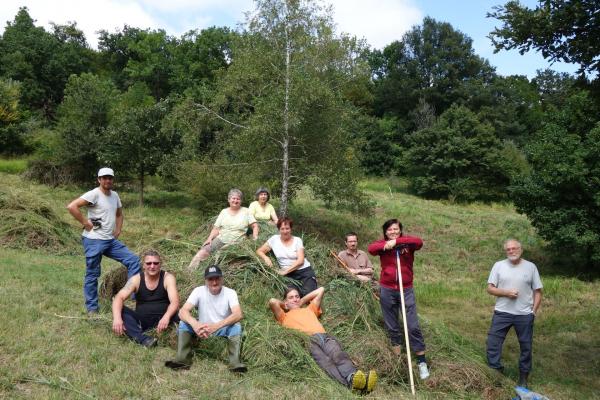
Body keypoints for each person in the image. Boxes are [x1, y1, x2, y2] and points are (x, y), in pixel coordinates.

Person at [268, 287, 377, 393]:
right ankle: (352, 386)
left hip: (324, 337)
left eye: (297, 296)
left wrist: (301, 301)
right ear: (285, 301)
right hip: (307, 340)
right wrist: (285, 305)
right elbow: (272, 301)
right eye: (291, 297)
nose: (295, 299)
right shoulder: (284, 316)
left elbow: (321, 290)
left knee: (339, 355)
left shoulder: (309, 309)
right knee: (326, 363)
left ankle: (353, 378)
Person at [67, 167, 140, 315]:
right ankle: (92, 308)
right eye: (104, 178)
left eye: (110, 178)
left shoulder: (114, 195)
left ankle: (132, 297)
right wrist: (85, 222)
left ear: (112, 180)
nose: (107, 180)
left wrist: (118, 229)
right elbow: (72, 206)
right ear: (99, 179)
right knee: (93, 274)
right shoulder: (94, 194)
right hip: (93, 240)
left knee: (133, 260)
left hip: (109, 240)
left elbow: (119, 214)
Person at [367, 218, 430, 380]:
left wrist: (397, 242)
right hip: (387, 289)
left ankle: (422, 362)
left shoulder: (408, 244)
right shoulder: (383, 245)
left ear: (400, 230)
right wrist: (386, 245)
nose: (393, 231)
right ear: (385, 232)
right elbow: (371, 249)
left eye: (396, 229)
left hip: (406, 289)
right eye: (390, 230)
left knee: (413, 325)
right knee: (392, 325)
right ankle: (397, 360)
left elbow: (419, 242)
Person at [165, 265, 247, 372]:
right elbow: (182, 312)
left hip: (221, 328)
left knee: (236, 326)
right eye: (210, 279)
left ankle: (234, 363)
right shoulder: (198, 291)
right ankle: (182, 360)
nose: (214, 282)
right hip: (202, 328)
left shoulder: (230, 293)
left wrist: (216, 326)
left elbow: (238, 314)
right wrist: (196, 325)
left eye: (217, 278)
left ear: (222, 279)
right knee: (183, 323)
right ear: (205, 280)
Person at [486, 239, 543, 388]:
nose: (511, 251)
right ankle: (495, 372)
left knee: (526, 346)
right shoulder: (498, 266)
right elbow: (490, 288)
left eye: (514, 248)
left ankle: (523, 377)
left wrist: (533, 312)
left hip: (524, 315)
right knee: (493, 343)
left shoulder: (531, 267)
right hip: (502, 313)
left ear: (521, 249)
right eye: (508, 249)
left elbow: (538, 292)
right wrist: (506, 293)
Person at [112, 250, 180, 347]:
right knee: (119, 310)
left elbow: (175, 302)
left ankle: (179, 335)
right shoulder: (136, 279)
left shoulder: (168, 278)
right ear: (143, 265)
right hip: (142, 321)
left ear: (160, 264)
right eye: (149, 263)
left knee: (183, 314)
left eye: (156, 263)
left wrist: (166, 317)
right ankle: (144, 340)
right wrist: (117, 319)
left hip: (166, 320)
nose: (152, 266)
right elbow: (119, 297)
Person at [188, 189, 259, 270]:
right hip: (220, 239)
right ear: (229, 200)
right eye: (233, 198)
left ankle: (217, 266)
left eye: (238, 199)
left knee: (222, 259)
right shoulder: (224, 212)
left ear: (241, 200)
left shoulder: (246, 211)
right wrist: (209, 238)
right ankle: (189, 272)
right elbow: (216, 228)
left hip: (237, 242)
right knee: (202, 252)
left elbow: (255, 226)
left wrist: (255, 238)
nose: (235, 201)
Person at [256, 217, 318, 296]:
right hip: (289, 275)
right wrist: (266, 257)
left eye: (287, 228)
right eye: (282, 229)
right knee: (291, 294)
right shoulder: (274, 239)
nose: (285, 231)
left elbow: (300, 261)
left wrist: (284, 272)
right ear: (279, 229)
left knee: (310, 294)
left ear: (291, 229)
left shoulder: (297, 240)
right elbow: (259, 251)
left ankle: (307, 291)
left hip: (303, 271)